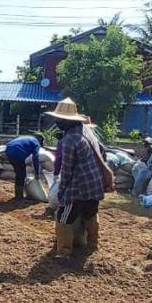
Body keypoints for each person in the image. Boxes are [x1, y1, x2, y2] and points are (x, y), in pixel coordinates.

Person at [47, 98, 108, 258]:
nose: (57, 121)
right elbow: (102, 152)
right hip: (94, 185)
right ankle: (93, 245)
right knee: (90, 214)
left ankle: (64, 251)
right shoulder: (85, 132)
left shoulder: (69, 140)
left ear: (67, 120)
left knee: (63, 217)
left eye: (59, 119)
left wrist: (61, 191)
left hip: (78, 187)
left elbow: (66, 169)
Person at [5, 134, 43, 201]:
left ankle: (17, 195)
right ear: (40, 140)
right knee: (22, 175)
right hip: (17, 151)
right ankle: (19, 198)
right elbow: (35, 158)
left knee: (19, 173)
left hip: (8, 150)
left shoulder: (28, 138)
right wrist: (37, 173)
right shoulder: (36, 142)